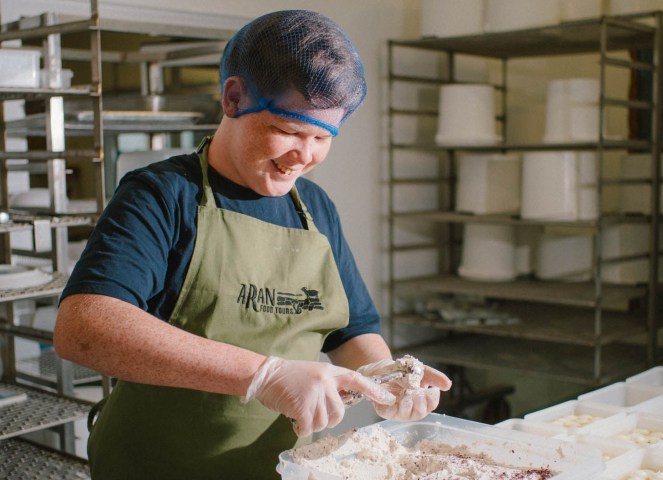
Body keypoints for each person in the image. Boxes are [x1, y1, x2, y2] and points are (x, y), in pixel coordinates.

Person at [53, 9, 452, 480]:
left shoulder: (316, 209)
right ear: (234, 98)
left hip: (283, 471)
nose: (303, 156)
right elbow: (84, 328)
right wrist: (265, 375)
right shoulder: (163, 194)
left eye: (322, 137)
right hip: (157, 467)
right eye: (288, 130)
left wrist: (388, 381)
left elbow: (351, 332)